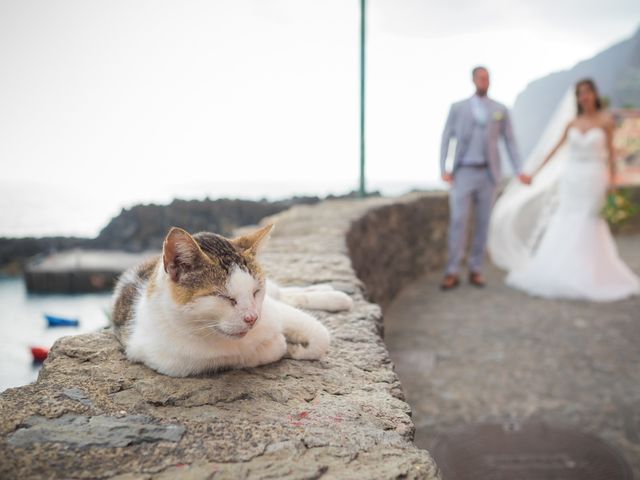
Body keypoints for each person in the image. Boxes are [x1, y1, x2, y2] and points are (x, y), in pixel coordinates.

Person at [499, 78, 640, 301]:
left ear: (594, 94)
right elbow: (553, 150)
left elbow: (612, 154)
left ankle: (590, 273)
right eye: (580, 93)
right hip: (572, 179)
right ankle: (560, 270)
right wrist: (533, 174)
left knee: (589, 221)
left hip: (595, 178)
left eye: (587, 92)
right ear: (577, 98)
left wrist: (613, 184)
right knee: (566, 218)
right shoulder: (572, 123)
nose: (584, 97)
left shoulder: (605, 121)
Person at [440, 66, 530, 290]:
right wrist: (444, 167)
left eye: (487, 78)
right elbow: (446, 138)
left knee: (483, 222)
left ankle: (475, 268)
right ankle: (452, 270)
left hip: (488, 174)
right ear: (473, 80)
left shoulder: (500, 109)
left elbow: (510, 141)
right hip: (463, 172)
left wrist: (520, 170)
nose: (484, 82)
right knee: (459, 221)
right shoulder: (458, 108)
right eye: (481, 78)